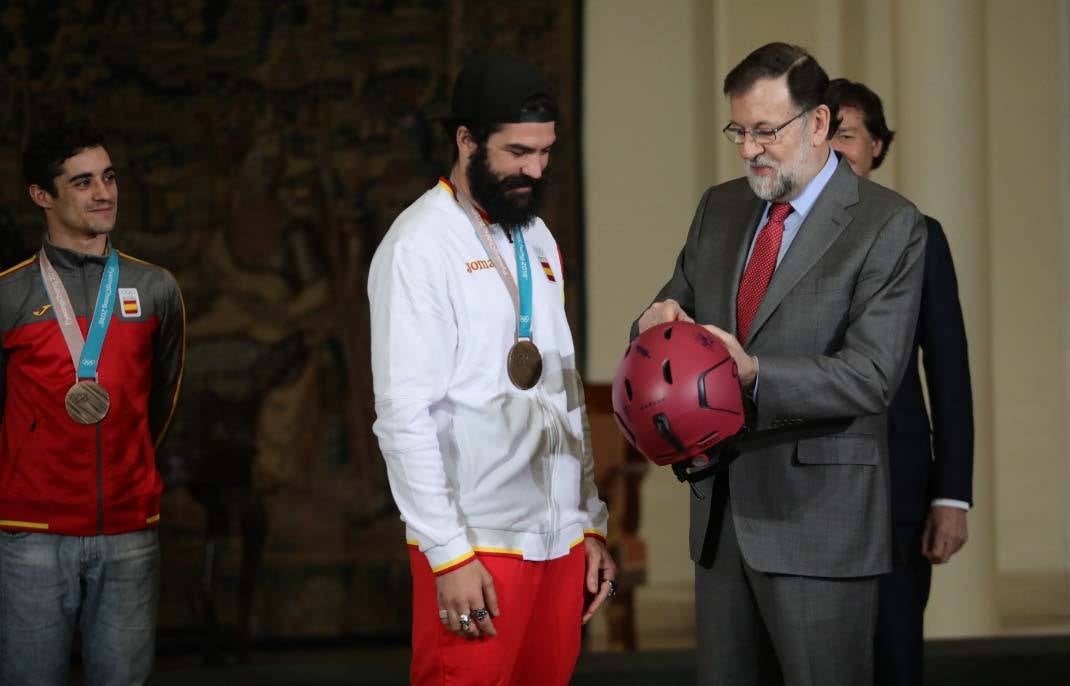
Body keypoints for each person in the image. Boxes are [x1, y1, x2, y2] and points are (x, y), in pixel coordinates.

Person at [633, 43, 927, 685]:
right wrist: (652, 328)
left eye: (765, 131)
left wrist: (753, 372)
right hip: (720, 517)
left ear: (818, 124)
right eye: (739, 130)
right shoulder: (720, 207)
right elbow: (667, 308)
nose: (748, 150)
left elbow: (872, 375)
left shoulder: (889, 225)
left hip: (818, 521)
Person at [368, 55, 615, 685]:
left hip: (557, 540)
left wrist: (587, 521)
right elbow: (403, 417)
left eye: (546, 151)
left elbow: (561, 391)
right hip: (477, 541)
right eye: (518, 152)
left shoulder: (535, 236)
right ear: (466, 140)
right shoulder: (418, 246)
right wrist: (448, 556)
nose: (535, 168)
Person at [0, 121, 185, 685]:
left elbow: (165, 401)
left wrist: (130, 469)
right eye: (81, 183)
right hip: (32, 531)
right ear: (42, 196)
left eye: (108, 177)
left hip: (130, 530)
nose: (103, 193)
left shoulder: (155, 289)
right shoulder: (9, 294)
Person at [827, 77, 974, 686]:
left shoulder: (918, 232)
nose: (834, 148)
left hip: (897, 490)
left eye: (848, 134)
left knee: (893, 661)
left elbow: (948, 368)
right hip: (803, 494)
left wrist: (952, 494)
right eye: (822, 132)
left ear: (877, 148)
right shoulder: (770, 238)